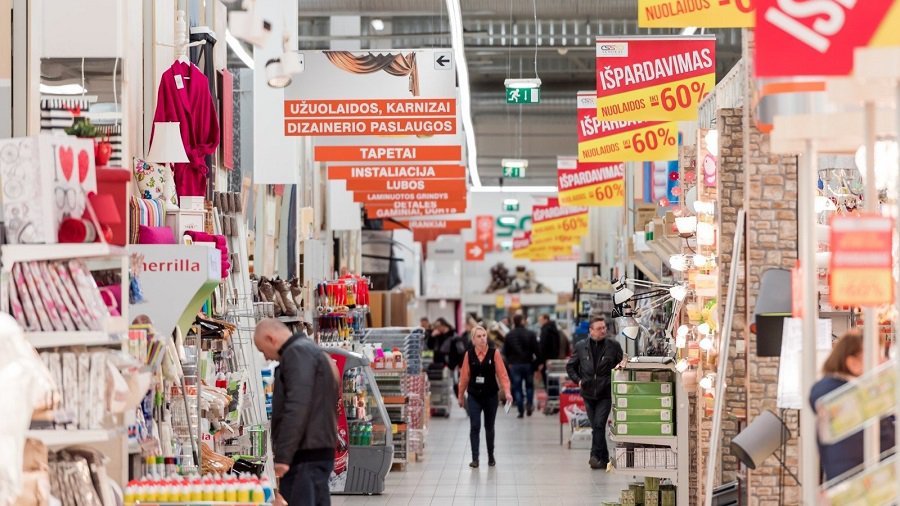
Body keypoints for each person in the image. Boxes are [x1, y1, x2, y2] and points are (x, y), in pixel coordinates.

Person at [254, 319, 339, 506]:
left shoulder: (296, 353)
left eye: (262, 350)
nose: (266, 357)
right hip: (314, 451)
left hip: (305, 456)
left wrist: (284, 456)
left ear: (271, 338)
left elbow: (297, 405)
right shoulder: (309, 351)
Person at [810, 330, 895, 481]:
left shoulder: (856, 395)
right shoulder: (845, 400)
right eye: (877, 355)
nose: (883, 361)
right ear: (853, 363)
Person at [566, 316, 624, 470]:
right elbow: (571, 366)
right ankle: (603, 458)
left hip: (605, 392)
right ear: (591, 331)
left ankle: (594, 455)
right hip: (588, 393)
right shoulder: (581, 346)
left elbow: (621, 365)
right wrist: (578, 380)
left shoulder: (613, 346)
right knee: (596, 427)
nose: (603, 330)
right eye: (599, 328)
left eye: (604, 328)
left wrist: (619, 371)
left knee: (599, 424)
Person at [457, 325, 512, 468]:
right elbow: (464, 377)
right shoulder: (468, 355)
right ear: (473, 340)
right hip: (474, 396)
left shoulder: (495, 354)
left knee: (489, 427)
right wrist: (460, 396)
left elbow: (503, 375)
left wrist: (507, 392)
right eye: (479, 336)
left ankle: (491, 456)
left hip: (490, 396)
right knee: (475, 426)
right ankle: (475, 458)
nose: (482, 338)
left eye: (484, 335)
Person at [503, 314, 540, 418]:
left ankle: (520, 409)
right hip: (528, 364)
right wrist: (536, 365)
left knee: (517, 387)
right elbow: (537, 350)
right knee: (529, 386)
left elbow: (505, 352)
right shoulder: (531, 334)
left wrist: (509, 363)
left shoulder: (509, 335)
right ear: (522, 321)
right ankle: (529, 404)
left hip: (515, 365)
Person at [537, 314, 562, 386]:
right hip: (554, 358)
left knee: (547, 378)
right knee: (553, 377)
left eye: (540, 320)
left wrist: (541, 361)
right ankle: (555, 394)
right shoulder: (555, 329)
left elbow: (543, 346)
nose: (539, 322)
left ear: (546, 320)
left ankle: (551, 394)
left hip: (546, 359)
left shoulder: (545, 330)